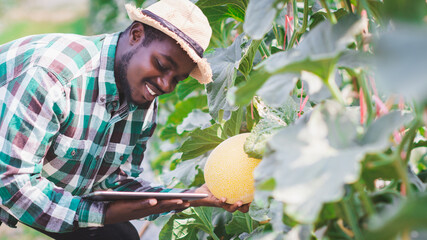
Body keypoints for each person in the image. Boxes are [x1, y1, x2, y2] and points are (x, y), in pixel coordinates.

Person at [0, 0, 249, 239]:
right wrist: (105, 214)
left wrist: (190, 196)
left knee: (119, 236)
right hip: (8, 173)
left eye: (177, 79)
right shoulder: (54, 78)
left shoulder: (142, 95)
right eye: (162, 64)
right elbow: (11, 185)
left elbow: (116, 181)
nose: (166, 85)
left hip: (26, 176)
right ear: (136, 35)